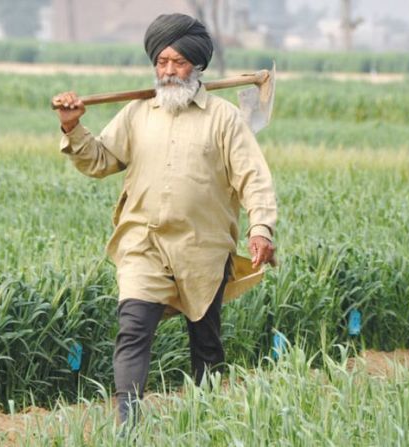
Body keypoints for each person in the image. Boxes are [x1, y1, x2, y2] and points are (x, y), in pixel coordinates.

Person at [52, 13, 278, 426]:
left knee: (206, 343)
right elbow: (101, 160)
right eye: (161, 62)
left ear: (197, 65)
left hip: (203, 249)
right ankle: (127, 425)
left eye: (178, 62)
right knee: (133, 329)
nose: (168, 71)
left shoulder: (224, 118)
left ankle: (205, 420)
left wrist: (260, 227)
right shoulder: (139, 113)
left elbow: (253, 178)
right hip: (144, 244)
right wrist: (73, 126)